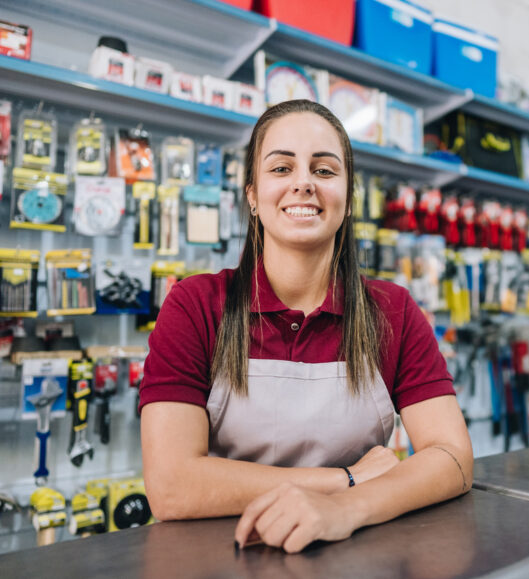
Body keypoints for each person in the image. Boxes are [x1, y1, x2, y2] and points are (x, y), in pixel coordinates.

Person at [139, 99, 473, 554]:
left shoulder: (391, 311)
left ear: (348, 198)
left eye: (324, 170)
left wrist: (346, 510)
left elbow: (453, 458)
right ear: (252, 195)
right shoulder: (196, 305)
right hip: (229, 555)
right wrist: (345, 481)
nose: (303, 184)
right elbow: (172, 486)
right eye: (281, 169)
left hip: (359, 552)